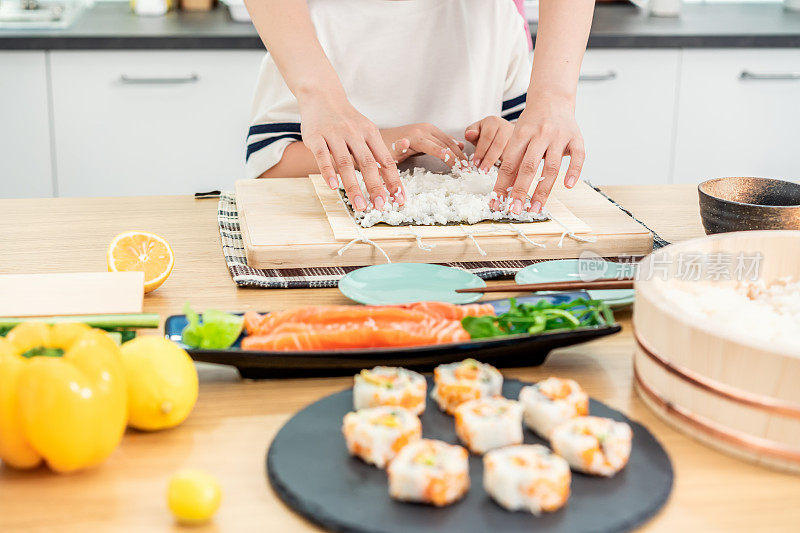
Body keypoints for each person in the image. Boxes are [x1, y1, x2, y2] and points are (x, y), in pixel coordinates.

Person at [244, 0, 593, 216]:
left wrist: (506, 142)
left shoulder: (495, 13)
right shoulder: (311, 24)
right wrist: (384, 147)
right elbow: (268, 168)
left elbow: (523, 132)